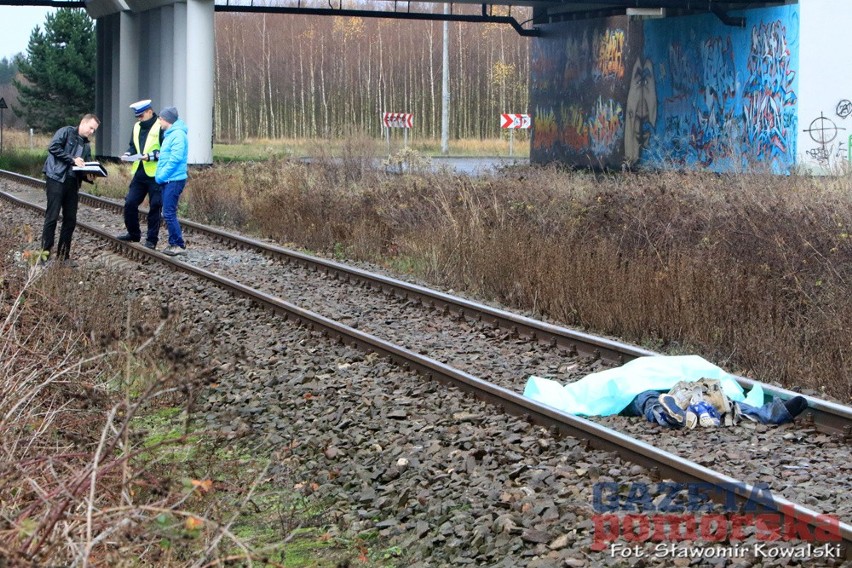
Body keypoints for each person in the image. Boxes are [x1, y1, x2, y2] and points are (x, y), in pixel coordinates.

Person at [40, 113, 101, 264]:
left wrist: (89, 176)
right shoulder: (66, 132)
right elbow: (53, 147)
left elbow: (84, 165)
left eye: (94, 130)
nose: (92, 132)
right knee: (52, 217)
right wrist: (72, 159)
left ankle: (63, 256)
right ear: (83, 123)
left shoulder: (86, 145)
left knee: (70, 220)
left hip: (73, 183)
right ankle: (44, 256)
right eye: (91, 128)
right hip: (56, 178)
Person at [625, 379, 809, 429]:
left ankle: (670, 415)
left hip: (678, 389)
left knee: (647, 399)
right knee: (726, 404)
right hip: (668, 390)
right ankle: (770, 414)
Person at [116, 99, 164, 249]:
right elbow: (133, 146)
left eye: (141, 116)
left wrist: (149, 156)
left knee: (155, 206)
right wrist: (128, 154)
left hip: (155, 174)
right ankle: (134, 234)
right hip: (140, 173)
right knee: (130, 203)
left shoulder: (160, 126)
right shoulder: (137, 127)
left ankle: (151, 240)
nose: (139, 119)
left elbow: (166, 151)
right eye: (137, 117)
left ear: (150, 111)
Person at [154, 106, 188, 256]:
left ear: (167, 119)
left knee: (168, 212)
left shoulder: (177, 135)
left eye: (160, 118)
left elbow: (175, 159)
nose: (159, 121)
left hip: (173, 180)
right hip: (169, 179)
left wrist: (161, 175)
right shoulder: (170, 134)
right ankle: (174, 242)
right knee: (167, 212)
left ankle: (177, 244)